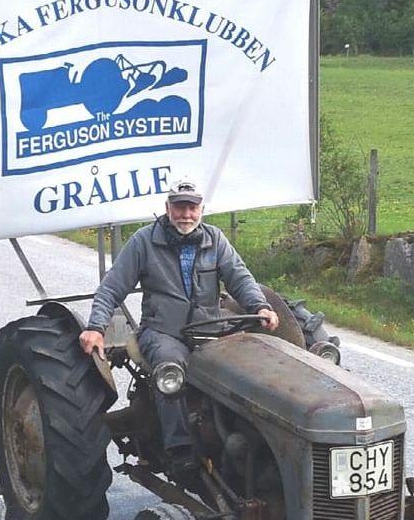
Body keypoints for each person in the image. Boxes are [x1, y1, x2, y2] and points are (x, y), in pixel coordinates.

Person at [79, 178, 279, 477]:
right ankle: (180, 450)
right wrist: (96, 327)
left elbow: (239, 277)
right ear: (167, 208)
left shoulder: (215, 239)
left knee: (248, 371)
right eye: (179, 207)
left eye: (192, 207)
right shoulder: (145, 241)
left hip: (208, 330)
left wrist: (259, 306)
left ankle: (254, 444)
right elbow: (112, 287)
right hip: (162, 332)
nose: (186, 214)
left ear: (201, 209)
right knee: (171, 369)